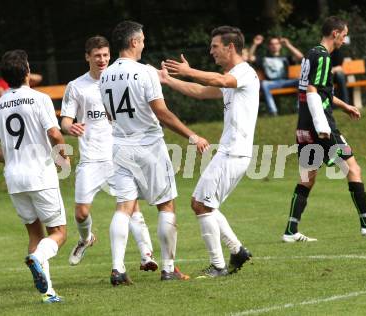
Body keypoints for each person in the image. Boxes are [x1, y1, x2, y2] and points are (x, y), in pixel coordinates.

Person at [100, 20, 210, 285]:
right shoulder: (144, 72)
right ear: (134, 42)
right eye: (143, 39)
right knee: (166, 205)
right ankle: (169, 268)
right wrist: (192, 135)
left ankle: (117, 269)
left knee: (123, 207)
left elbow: (108, 114)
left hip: (119, 146)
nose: (144, 43)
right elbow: (161, 112)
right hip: (148, 145)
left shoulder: (104, 75)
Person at [281, 16, 366, 243]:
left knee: (307, 177)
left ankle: (291, 231)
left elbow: (320, 91)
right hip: (321, 126)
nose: (344, 39)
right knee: (353, 169)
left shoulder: (310, 54)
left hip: (304, 125)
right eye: (344, 35)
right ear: (335, 33)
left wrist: (345, 106)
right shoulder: (323, 57)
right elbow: (313, 90)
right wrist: (322, 127)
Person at [162, 25, 259, 277]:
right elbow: (203, 92)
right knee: (205, 204)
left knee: (200, 204)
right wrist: (169, 80)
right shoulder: (233, 76)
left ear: (230, 47)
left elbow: (219, 80)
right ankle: (237, 251)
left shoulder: (243, 72)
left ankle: (218, 265)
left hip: (234, 152)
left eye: (215, 46)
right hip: (230, 151)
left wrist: (187, 70)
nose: (211, 51)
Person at [61, 36, 157, 271]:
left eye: (105, 55)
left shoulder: (117, 80)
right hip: (91, 158)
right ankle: (86, 239)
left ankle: (147, 256)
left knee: (132, 206)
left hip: (118, 154)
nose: (102, 59)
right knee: (82, 213)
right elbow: (64, 120)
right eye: (97, 56)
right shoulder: (76, 86)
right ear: (88, 57)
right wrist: (70, 127)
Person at [0, 50, 69, 303]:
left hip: (14, 179)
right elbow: (54, 134)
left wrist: (11, 159)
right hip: (40, 175)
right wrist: (63, 157)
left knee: (35, 234)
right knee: (59, 232)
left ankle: (48, 293)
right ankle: (38, 259)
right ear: (27, 72)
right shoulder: (39, 99)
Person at [249, 35, 303, 115]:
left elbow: (300, 57)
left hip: (287, 82)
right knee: (264, 84)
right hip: (272, 84)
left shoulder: (286, 58)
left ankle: (300, 109)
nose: (274, 46)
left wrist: (288, 45)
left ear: (280, 46)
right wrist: (255, 44)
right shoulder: (264, 59)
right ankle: (273, 111)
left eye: (277, 43)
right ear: (269, 46)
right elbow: (249, 58)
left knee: (302, 81)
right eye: (272, 44)